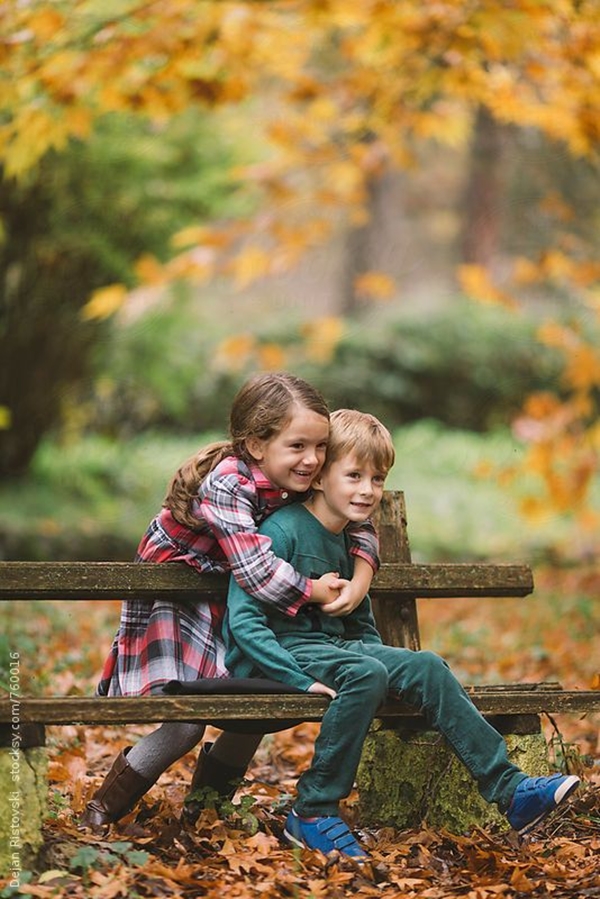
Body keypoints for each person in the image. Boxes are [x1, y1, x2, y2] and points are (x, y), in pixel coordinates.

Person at [223, 408, 580, 860]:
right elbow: (244, 620)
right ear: (319, 477)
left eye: (377, 478)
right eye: (353, 475)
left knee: (424, 664)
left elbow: (359, 623)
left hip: (336, 650)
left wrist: (394, 666)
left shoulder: (350, 541)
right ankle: (312, 809)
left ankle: (510, 790)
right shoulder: (280, 530)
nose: (368, 490)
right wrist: (294, 676)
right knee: (366, 672)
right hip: (282, 652)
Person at [80, 373, 381, 832]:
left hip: (229, 594)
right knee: (186, 721)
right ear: (257, 444)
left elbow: (355, 518)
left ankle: (206, 813)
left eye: (320, 448)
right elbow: (257, 571)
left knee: (251, 706)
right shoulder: (227, 483)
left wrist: (360, 579)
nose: (314, 460)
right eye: (299, 446)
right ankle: (101, 809)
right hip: (178, 595)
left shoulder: (297, 475)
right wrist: (313, 591)